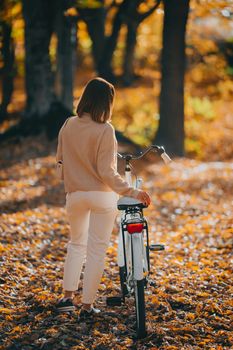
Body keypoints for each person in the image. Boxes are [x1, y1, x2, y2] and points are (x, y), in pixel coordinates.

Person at [56, 77, 151, 319]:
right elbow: (107, 172)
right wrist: (131, 191)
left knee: (76, 244)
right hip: (100, 196)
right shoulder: (105, 130)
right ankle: (87, 306)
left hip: (75, 194)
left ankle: (67, 297)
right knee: (96, 251)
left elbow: (60, 162)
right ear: (106, 103)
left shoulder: (68, 124)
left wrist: (72, 181)